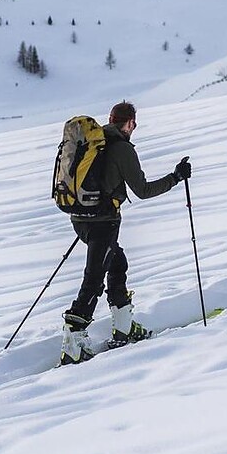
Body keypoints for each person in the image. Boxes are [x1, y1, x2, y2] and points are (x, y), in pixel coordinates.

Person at [60, 102, 189, 365]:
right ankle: (73, 344)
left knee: (117, 263)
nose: (134, 127)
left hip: (79, 217)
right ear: (129, 123)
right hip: (104, 220)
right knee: (94, 278)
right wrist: (175, 177)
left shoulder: (95, 142)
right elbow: (142, 190)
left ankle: (124, 327)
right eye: (134, 123)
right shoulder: (121, 148)